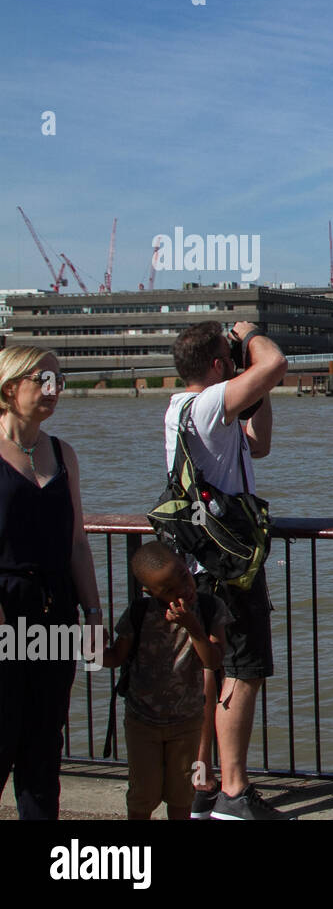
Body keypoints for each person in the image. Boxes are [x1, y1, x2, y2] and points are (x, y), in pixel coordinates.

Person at [167, 320, 287, 819]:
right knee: (243, 668)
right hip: (228, 563)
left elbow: (258, 445)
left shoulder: (182, 408)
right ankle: (234, 794)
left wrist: (257, 386)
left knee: (212, 669)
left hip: (200, 557)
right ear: (219, 364)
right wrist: (254, 336)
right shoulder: (210, 404)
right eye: (228, 356)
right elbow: (277, 364)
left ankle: (205, 785)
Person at [0, 346, 102, 819]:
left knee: (43, 750)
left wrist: (94, 614)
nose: (53, 389)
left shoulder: (62, 454)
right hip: (4, 610)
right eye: (42, 379)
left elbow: (77, 542)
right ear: (9, 388)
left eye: (58, 380)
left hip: (54, 611)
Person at [101, 542, 230, 819]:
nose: (183, 589)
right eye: (169, 589)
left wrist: (193, 628)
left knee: (181, 797)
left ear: (187, 567)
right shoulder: (138, 613)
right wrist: (92, 645)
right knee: (141, 796)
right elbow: (114, 658)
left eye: (184, 577)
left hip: (187, 722)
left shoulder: (209, 608)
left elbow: (213, 661)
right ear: (150, 592)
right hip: (142, 722)